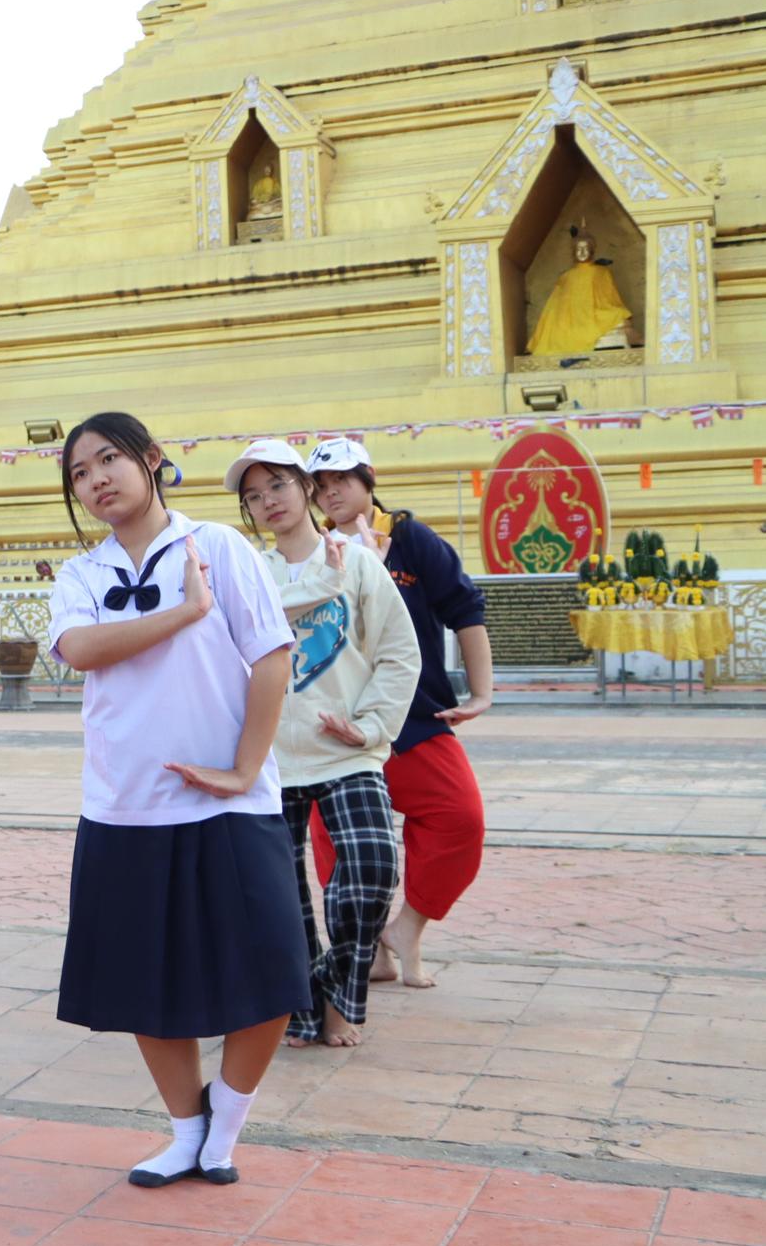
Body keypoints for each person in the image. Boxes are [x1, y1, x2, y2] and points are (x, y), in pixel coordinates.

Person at [46, 412, 307, 1188]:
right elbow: (80, 650)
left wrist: (241, 768)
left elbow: (271, 658)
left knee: (272, 975)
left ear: (152, 461)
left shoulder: (219, 546)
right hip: (125, 806)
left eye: (110, 459)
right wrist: (185, 614)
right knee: (143, 986)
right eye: (79, 471)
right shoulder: (81, 576)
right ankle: (184, 1131)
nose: (96, 478)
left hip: (230, 805)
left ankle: (226, 1122)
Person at [229, 441, 421, 1051]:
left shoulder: (358, 565)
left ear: (307, 489)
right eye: (254, 496)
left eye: (278, 486)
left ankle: (341, 994)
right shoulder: (248, 574)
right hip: (271, 760)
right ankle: (306, 1009)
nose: (268, 503)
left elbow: (399, 651)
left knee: (369, 872)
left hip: (347, 751)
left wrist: (368, 726)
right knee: (280, 897)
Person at [304, 438, 494, 989]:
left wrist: (480, 693)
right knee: (337, 840)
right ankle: (368, 950)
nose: (330, 492)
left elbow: (464, 608)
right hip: (334, 727)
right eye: (319, 485)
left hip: (413, 720)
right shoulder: (310, 549)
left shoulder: (409, 538)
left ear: (368, 478)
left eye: (341, 478)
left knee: (460, 821)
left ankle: (407, 928)